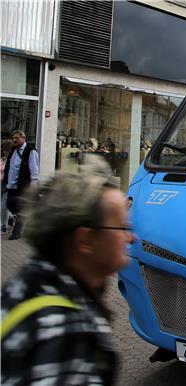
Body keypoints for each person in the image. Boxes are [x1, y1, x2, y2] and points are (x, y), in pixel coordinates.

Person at [1, 155, 134, 384]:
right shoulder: (66, 332)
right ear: (86, 240)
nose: (130, 237)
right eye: (121, 227)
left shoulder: (24, 286)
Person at [2, 130, 40, 240]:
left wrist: (33, 186)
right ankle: (24, 219)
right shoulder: (13, 150)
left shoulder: (30, 151)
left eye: (17, 138)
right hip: (11, 185)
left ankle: (17, 232)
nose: (14, 140)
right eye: (13, 138)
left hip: (23, 186)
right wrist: (6, 182)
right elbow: (10, 167)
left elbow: (34, 170)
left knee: (20, 208)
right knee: (9, 204)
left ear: (23, 138)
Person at [1, 140, 12, 234]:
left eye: (5, 150)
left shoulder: (12, 160)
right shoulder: (3, 159)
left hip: (6, 184)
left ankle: (3, 226)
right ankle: (11, 218)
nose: (3, 152)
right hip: (1, 183)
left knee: (3, 206)